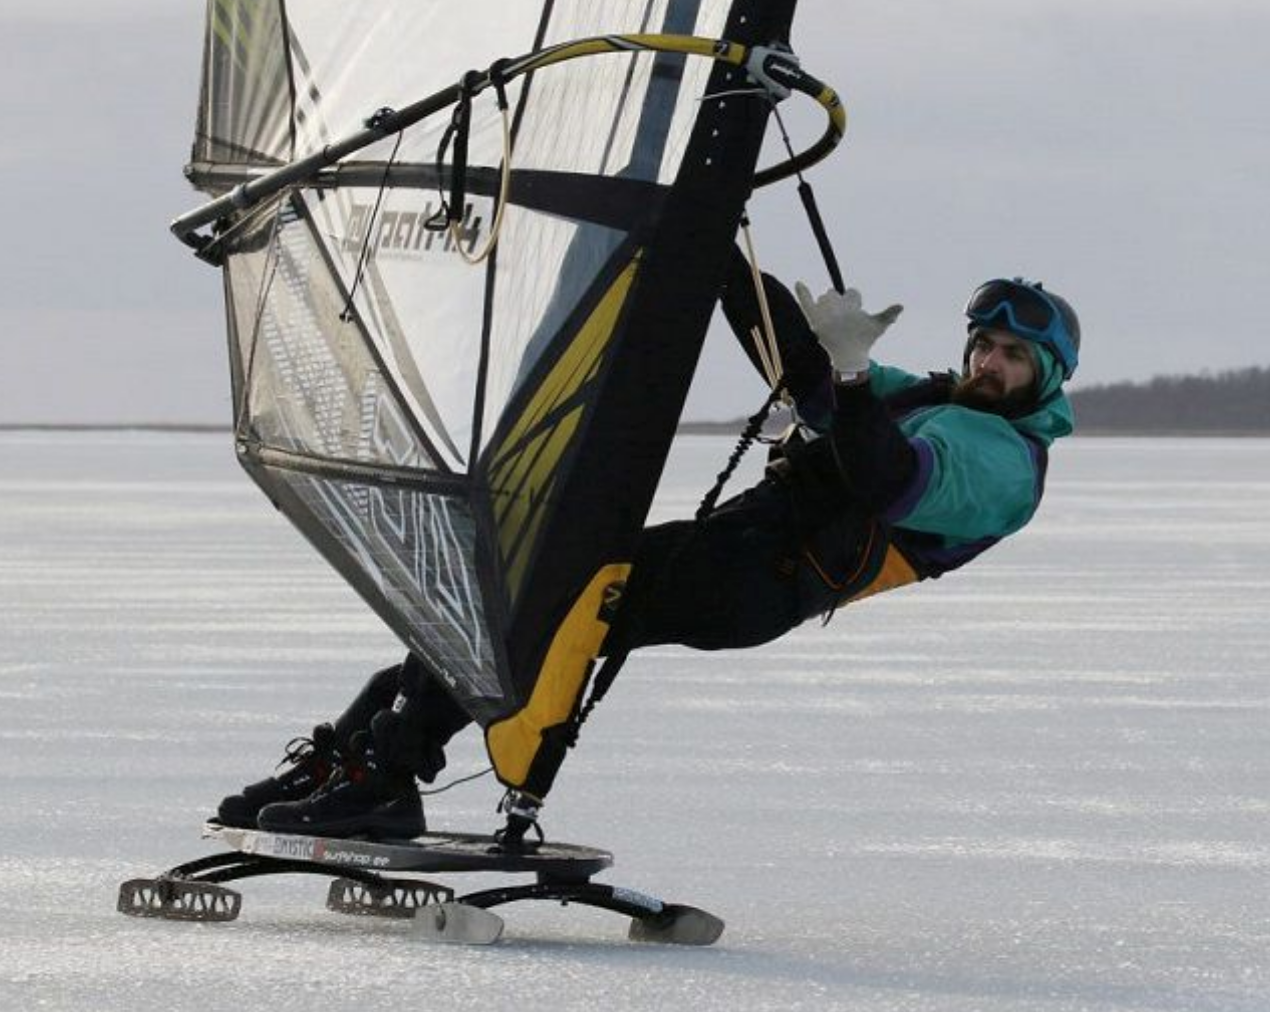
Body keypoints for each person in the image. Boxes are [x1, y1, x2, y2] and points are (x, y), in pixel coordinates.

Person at [217, 252, 1080, 839]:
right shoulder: (931, 395)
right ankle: (353, 759)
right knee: (500, 584)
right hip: (732, 544)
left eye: (1012, 355)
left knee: (538, 598)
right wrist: (721, 248)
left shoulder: (1006, 463)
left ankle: (385, 781)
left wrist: (852, 379)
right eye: (984, 344)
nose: (989, 362)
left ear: (1044, 375)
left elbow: (884, 478)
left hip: (758, 584)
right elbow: (803, 373)